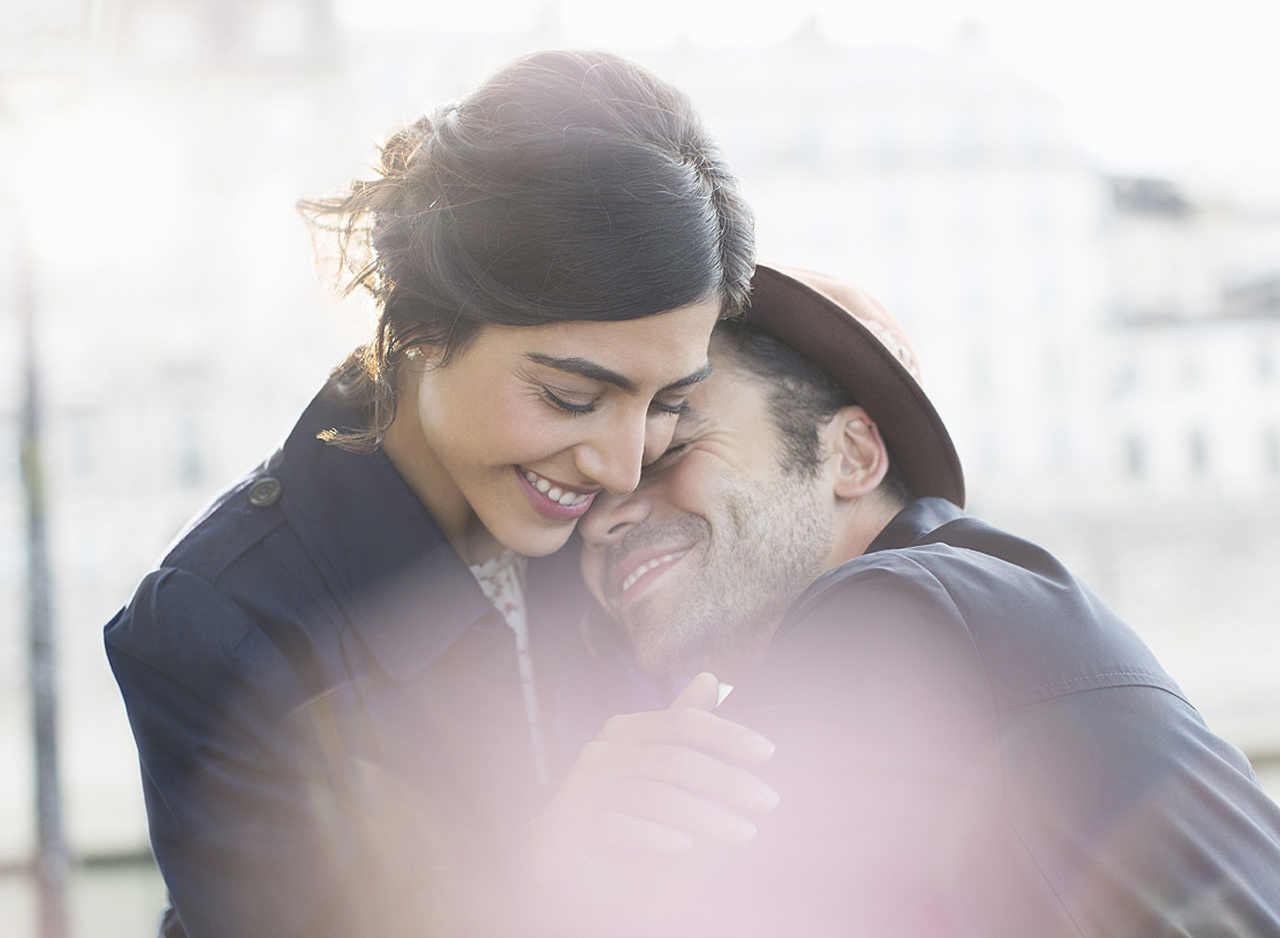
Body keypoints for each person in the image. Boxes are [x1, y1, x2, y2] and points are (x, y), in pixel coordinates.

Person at [104, 50, 762, 938]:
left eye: (669, 402)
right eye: (571, 398)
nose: (617, 464)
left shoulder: (634, 510)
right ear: (419, 323)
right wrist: (544, 870)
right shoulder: (221, 626)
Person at [561, 264, 1280, 935]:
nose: (600, 519)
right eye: (589, 495)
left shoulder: (898, 609)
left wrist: (564, 858)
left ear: (853, 456)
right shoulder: (981, 598)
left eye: (670, 451)